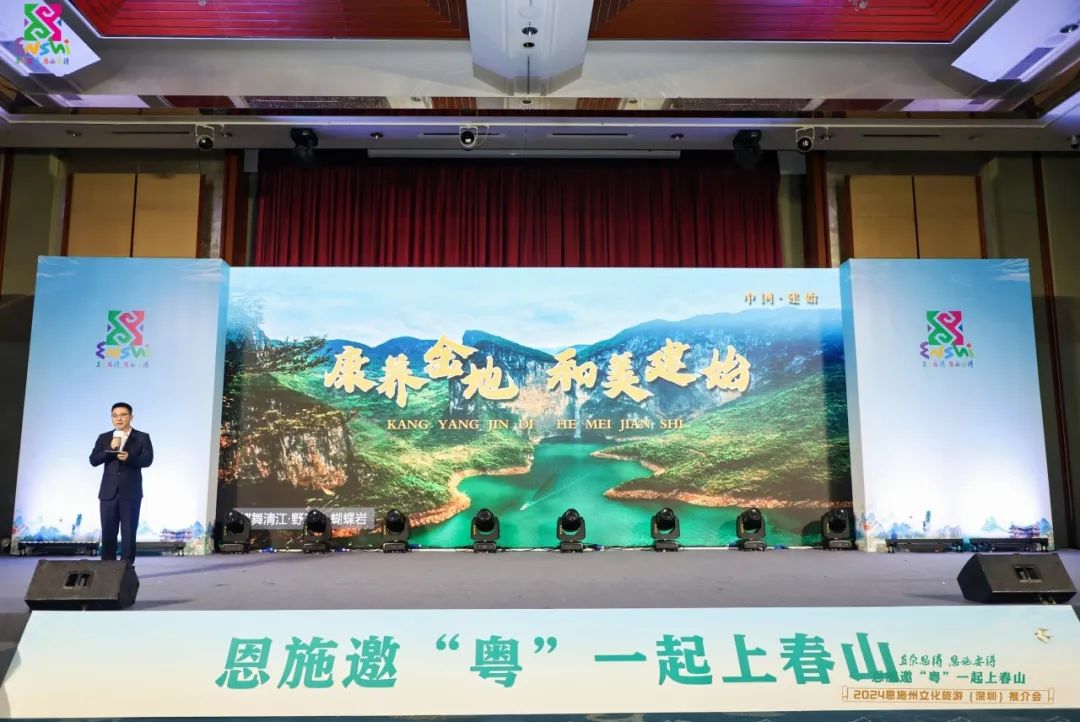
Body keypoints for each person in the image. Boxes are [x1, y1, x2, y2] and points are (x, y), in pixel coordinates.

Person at [89, 402, 153, 564]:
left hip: (131, 493)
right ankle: (107, 569)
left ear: (131, 417)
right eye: (115, 415)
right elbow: (93, 460)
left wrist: (130, 458)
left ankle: (126, 568)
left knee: (128, 533)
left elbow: (147, 460)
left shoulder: (142, 437)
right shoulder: (104, 437)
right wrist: (110, 450)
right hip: (108, 493)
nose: (118, 419)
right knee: (108, 533)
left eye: (123, 415)